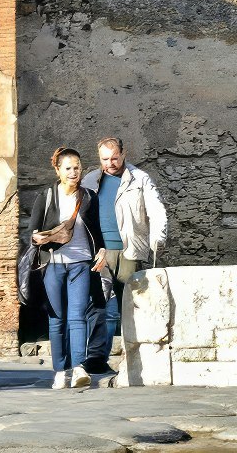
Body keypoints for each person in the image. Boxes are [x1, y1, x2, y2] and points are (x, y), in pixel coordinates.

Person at [80, 137, 168, 375]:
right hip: (100, 252)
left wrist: (158, 235)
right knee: (101, 306)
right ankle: (97, 358)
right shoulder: (90, 180)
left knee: (130, 305)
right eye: (105, 159)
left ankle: (136, 357)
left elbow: (156, 208)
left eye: (114, 158)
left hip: (130, 250)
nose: (110, 163)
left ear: (124, 153)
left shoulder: (140, 178)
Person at [26, 146, 108, 389]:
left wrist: (102, 251)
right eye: (68, 168)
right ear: (58, 170)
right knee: (57, 319)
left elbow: (98, 231)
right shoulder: (47, 196)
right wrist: (38, 239)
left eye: (77, 167)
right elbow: (32, 233)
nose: (74, 172)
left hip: (81, 263)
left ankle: (80, 367)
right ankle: (61, 371)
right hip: (53, 265)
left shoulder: (89, 197)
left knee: (77, 316)